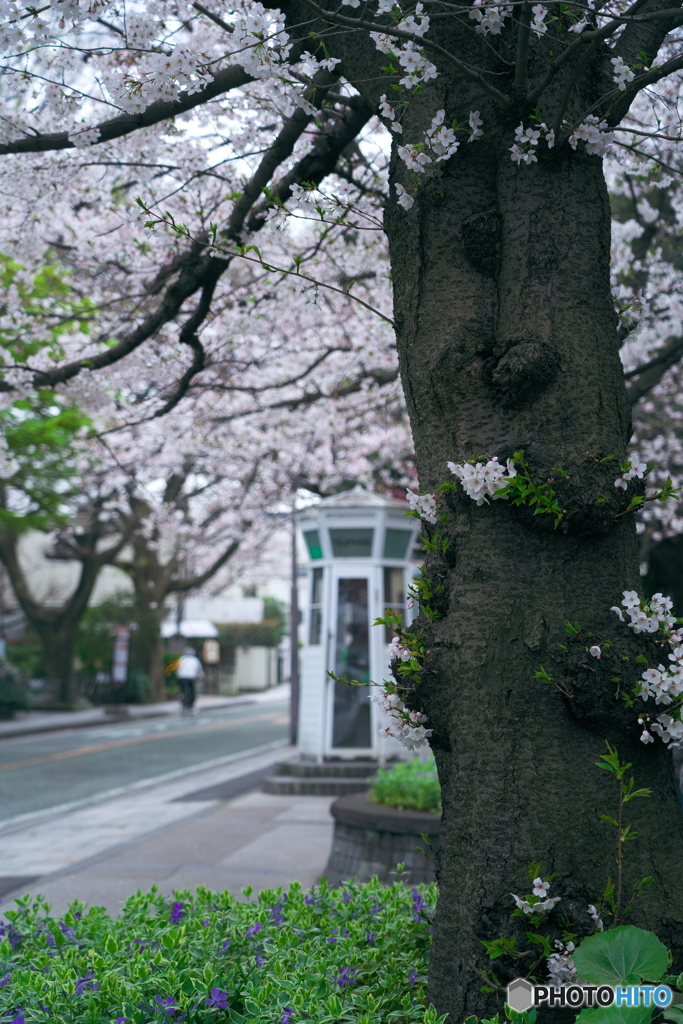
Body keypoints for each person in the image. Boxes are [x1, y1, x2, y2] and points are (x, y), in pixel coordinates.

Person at [176, 646, 204, 714]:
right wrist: (201, 676)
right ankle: (191, 705)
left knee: (182, 689)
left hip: (182, 677)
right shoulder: (195, 660)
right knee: (192, 690)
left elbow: (177, 668)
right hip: (191, 677)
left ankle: (182, 696)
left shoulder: (182, 659)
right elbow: (200, 671)